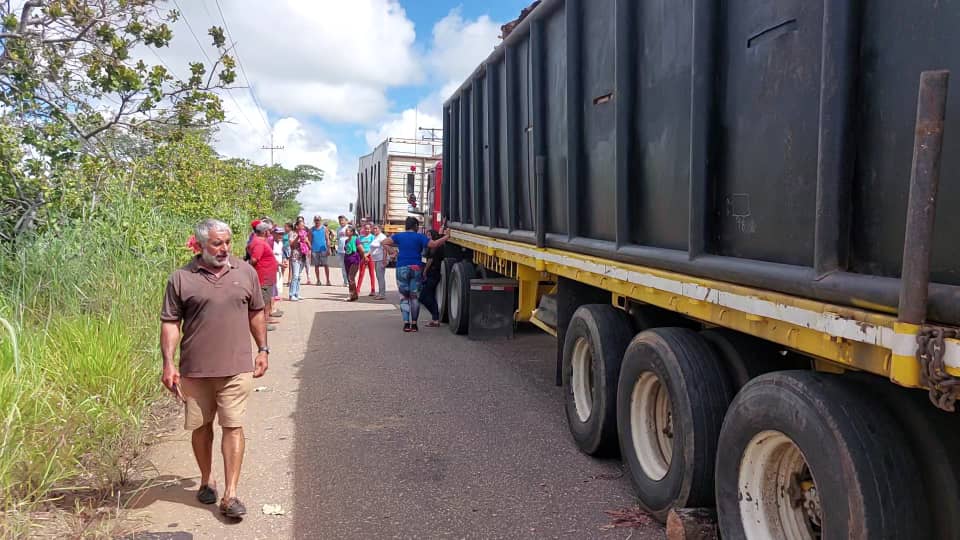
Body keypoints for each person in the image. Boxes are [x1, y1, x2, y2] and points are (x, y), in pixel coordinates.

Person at [160, 219, 269, 519]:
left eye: (228, 242)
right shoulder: (181, 278)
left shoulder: (245, 272)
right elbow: (170, 323)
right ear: (200, 244)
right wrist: (169, 363)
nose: (224, 249)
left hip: (236, 367)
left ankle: (231, 494)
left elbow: (257, 312)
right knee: (201, 427)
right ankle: (207, 479)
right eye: (217, 243)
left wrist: (263, 349)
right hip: (195, 370)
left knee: (233, 425)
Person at [381, 217, 449, 332]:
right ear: (416, 226)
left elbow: (384, 242)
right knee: (414, 297)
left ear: (406, 226)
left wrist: (393, 252)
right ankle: (414, 324)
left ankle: (406, 324)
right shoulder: (420, 237)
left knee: (404, 297)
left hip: (402, 267)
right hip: (416, 267)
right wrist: (447, 236)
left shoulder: (399, 236)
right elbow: (434, 244)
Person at [248, 222, 280, 331]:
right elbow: (254, 259)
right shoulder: (259, 243)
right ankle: (263, 324)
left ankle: (264, 322)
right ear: (265, 232)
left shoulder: (260, 241)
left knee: (265, 300)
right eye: (269, 231)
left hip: (266, 276)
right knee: (264, 302)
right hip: (263, 277)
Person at [419, 230, 444, 327]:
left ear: (433, 235)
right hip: (434, 273)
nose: (427, 237)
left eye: (429, 235)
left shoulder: (434, 246)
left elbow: (430, 259)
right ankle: (435, 319)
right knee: (431, 296)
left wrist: (425, 271)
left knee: (423, 297)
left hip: (432, 273)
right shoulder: (436, 245)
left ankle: (435, 317)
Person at [341, 225, 365, 301]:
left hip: (354, 261)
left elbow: (362, 250)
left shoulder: (356, 239)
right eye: (346, 231)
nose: (346, 232)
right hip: (347, 261)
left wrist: (361, 258)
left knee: (351, 278)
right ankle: (354, 295)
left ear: (352, 232)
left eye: (348, 230)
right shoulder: (346, 241)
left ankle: (352, 296)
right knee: (349, 278)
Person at [368, 225, 389, 300]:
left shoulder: (382, 237)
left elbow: (385, 249)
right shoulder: (375, 236)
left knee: (380, 277)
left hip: (381, 259)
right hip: (376, 259)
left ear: (380, 229)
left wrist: (384, 259)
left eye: (376, 228)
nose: (374, 230)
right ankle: (380, 293)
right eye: (373, 228)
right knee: (378, 276)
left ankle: (382, 294)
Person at [310, 217, 332, 286]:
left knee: (326, 265)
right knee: (316, 265)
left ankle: (328, 280)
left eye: (318, 220)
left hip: (323, 249)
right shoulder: (312, 229)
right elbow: (310, 240)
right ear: (314, 221)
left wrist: (329, 249)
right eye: (316, 220)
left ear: (320, 220)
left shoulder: (324, 228)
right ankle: (318, 280)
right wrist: (310, 250)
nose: (317, 221)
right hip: (314, 249)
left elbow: (327, 239)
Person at [356, 223, 376, 296]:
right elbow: (359, 247)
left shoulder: (372, 237)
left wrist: (367, 254)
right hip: (362, 256)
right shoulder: (360, 237)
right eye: (366, 228)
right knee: (361, 273)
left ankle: (373, 290)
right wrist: (363, 255)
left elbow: (373, 248)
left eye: (368, 229)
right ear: (363, 229)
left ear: (371, 229)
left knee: (371, 273)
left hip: (370, 256)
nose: (367, 230)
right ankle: (357, 289)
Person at [288, 232, 305, 302]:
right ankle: (291, 294)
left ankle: (296, 293)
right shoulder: (292, 234)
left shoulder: (304, 233)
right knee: (295, 276)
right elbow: (291, 245)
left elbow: (309, 244)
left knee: (298, 277)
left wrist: (305, 240)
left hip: (302, 257)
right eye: (301, 225)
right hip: (295, 257)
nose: (302, 226)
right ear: (297, 226)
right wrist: (298, 237)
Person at [336, 215, 349, 286]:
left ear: (346, 221)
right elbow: (338, 239)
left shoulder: (349, 228)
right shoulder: (338, 229)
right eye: (340, 221)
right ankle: (345, 281)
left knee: (348, 266)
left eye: (342, 220)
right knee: (343, 267)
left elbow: (355, 238)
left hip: (348, 251)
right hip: (340, 251)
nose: (341, 222)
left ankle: (350, 281)